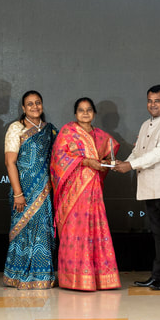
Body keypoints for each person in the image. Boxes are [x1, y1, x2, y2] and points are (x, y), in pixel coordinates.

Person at [113, 85, 160, 291]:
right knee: (158, 235)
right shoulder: (146, 124)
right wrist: (124, 162)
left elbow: (159, 154)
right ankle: (157, 275)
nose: (153, 105)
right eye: (150, 101)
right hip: (149, 188)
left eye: (157, 101)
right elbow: (138, 151)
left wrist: (130, 165)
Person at [50, 97, 121, 291]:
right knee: (75, 231)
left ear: (94, 113)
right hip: (73, 192)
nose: (85, 113)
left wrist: (105, 163)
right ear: (75, 113)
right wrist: (86, 162)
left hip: (93, 190)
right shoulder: (67, 132)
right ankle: (73, 278)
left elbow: (109, 151)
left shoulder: (100, 135)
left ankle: (99, 278)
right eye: (81, 110)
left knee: (95, 228)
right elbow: (58, 158)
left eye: (89, 110)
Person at [3, 90, 57, 289]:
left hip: (45, 191)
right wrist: (18, 193)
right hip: (23, 191)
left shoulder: (50, 130)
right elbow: (10, 162)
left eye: (38, 102)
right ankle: (18, 275)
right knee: (23, 232)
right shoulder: (16, 128)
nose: (35, 107)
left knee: (43, 231)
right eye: (30, 104)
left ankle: (42, 275)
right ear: (23, 108)